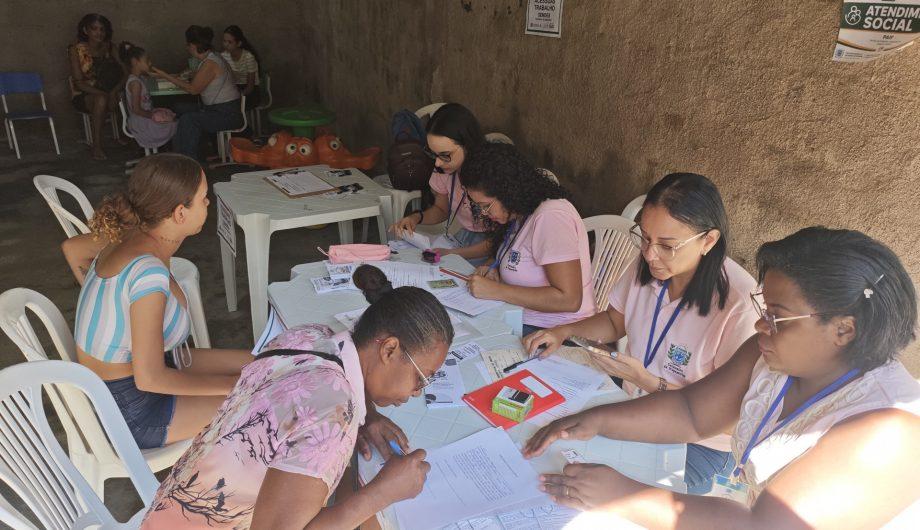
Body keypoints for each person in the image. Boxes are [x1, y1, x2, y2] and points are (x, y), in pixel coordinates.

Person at [524, 227, 920, 528]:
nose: (762, 326)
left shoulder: (886, 431)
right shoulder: (772, 354)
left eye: (778, 316)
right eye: (764, 309)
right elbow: (690, 412)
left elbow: (761, 526)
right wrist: (594, 421)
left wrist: (622, 494)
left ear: (843, 330)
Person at [141, 264, 453, 529]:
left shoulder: (312, 336)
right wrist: (383, 493)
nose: (416, 392)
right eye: (420, 379)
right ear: (389, 349)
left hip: (170, 511)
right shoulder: (333, 414)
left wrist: (365, 415)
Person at [523, 172, 758, 495]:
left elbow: (733, 421)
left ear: (709, 240)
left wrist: (650, 381)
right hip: (631, 404)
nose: (649, 254)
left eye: (667, 245)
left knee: (599, 489)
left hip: (700, 444)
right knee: (554, 453)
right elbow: (613, 322)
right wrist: (564, 331)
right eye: (645, 238)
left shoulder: (740, 305)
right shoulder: (648, 265)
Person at [64, 154, 252, 449]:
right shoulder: (146, 273)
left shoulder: (127, 235)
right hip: (133, 408)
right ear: (180, 213)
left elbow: (72, 249)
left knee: (265, 366)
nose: (208, 204)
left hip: (146, 369)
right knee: (264, 399)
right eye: (203, 198)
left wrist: (114, 309)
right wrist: (234, 387)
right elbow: (150, 379)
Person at [459, 142, 595, 334]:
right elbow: (515, 253)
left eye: (486, 206)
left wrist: (495, 291)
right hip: (520, 318)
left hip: (556, 330)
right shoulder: (520, 212)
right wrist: (492, 267)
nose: (483, 213)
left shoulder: (550, 216)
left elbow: (569, 299)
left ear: (507, 191)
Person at [389, 103, 491, 265]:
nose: (437, 163)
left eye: (445, 155)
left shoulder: (492, 174)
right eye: (433, 154)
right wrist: (416, 217)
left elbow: (502, 240)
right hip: (463, 238)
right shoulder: (445, 169)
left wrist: (452, 253)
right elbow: (442, 209)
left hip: (491, 248)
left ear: (468, 144)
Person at [151, 25, 242, 161]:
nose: (187, 48)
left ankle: (189, 162)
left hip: (227, 113)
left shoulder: (211, 62)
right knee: (179, 108)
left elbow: (193, 90)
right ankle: (179, 155)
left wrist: (164, 75)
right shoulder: (210, 58)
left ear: (193, 45)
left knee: (190, 120)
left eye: (188, 45)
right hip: (216, 109)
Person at [69, 13, 127, 160]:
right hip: (85, 94)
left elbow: (126, 73)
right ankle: (97, 146)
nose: (99, 33)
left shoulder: (110, 47)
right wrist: (104, 94)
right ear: (85, 30)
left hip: (110, 91)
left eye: (102, 29)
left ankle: (135, 137)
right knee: (100, 99)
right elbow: (79, 83)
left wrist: (113, 91)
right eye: (94, 29)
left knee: (134, 89)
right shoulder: (76, 50)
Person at [119, 42, 177, 151]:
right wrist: (152, 115)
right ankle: (168, 155)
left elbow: (150, 74)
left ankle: (163, 153)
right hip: (141, 122)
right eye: (147, 60)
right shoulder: (135, 83)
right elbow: (136, 109)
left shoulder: (139, 78)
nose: (150, 63)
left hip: (142, 117)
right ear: (135, 62)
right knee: (173, 124)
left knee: (168, 115)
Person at [221, 25, 261, 110]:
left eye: (230, 42)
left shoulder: (248, 57)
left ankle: (243, 123)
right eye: (224, 41)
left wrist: (237, 95)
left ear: (239, 43)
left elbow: (250, 87)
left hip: (250, 91)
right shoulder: (224, 56)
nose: (226, 45)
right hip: (235, 88)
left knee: (232, 105)